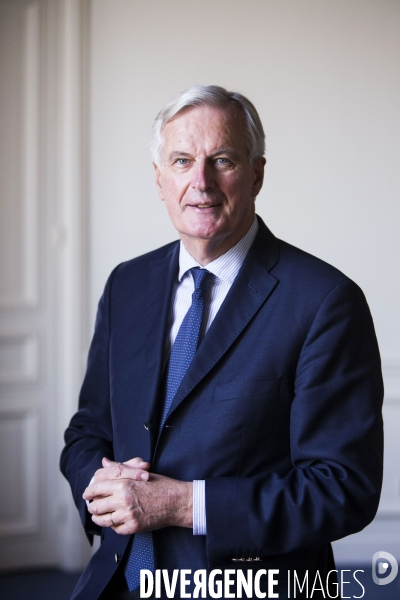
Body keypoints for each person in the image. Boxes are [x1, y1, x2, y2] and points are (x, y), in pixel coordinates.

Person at [60, 85, 384, 600]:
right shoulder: (128, 285)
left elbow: (343, 486)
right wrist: (101, 488)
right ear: (159, 179)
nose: (201, 182)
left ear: (257, 173)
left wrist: (183, 505)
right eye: (182, 160)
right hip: (118, 581)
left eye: (223, 160)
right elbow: (86, 433)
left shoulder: (326, 301)